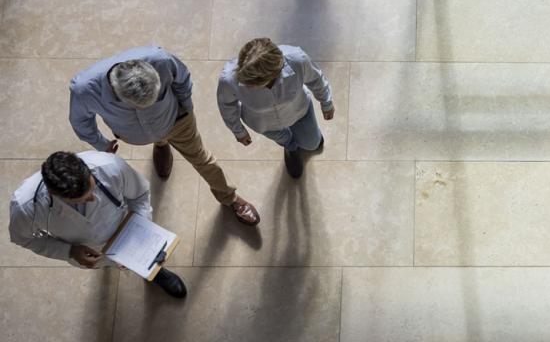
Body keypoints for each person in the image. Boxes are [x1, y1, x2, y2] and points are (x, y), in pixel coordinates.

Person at [69, 47, 260, 226]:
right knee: (161, 140)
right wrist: (100, 143)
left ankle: (229, 197)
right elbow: (81, 121)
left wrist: (187, 107)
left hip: (177, 121)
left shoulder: (161, 60)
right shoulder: (84, 90)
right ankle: (161, 144)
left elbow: (182, 80)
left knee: (203, 160)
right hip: (134, 134)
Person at [8, 151, 187, 298]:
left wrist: (143, 234)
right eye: (84, 199)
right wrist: (68, 251)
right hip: (89, 251)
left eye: (93, 188)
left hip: (126, 230)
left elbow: (140, 195)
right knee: (107, 263)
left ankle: (153, 273)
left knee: (145, 262)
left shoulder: (110, 167)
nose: (93, 197)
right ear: (54, 193)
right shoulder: (25, 209)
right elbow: (23, 239)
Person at [217, 38, 334, 179]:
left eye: (251, 84)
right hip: (265, 124)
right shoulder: (229, 79)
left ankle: (306, 141)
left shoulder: (297, 60)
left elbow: (316, 79)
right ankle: (290, 149)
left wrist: (326, 102)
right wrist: (238, 131)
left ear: (274, 75)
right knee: (286, 140)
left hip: (299, 112)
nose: (246, 86)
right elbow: (227, 105)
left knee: (312, 144)